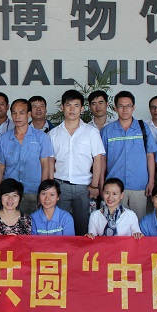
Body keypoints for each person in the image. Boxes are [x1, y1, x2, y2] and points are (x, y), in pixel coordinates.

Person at [48, 90, 105, 235]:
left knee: (83, 225)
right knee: (59, 226)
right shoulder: (53, 134)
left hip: (84, 187)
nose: (72, 109)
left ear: (82, 108)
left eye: (76, 105)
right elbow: (50, 162)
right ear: (62, 107)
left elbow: (98, 160)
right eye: (68, 105)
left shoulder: (91, 132)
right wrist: (50, 187)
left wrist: (95, 185)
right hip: (60, 186)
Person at [100, 91, 157, 219]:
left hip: (139, 185)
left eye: (128, 106)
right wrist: (101, 183)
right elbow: (102, 159)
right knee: (114, 223)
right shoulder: (107, 130)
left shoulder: (143, 128)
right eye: (121, 106)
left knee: (138, 222)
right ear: (115, 108)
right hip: (114, 187)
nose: (125, 109)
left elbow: (150, 156)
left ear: (133, 107)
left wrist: (151, 181)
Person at [0, 98, 53, 214]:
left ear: (29, 114)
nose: (17, 117)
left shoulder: (41, 137)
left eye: (21, 113)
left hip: (33, 191)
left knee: (32, 223)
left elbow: (45, 166)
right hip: (9, 194)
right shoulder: (4, 139)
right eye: (14, 113)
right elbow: (0, 167)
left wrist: (43, 192)